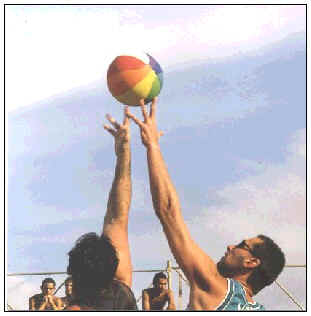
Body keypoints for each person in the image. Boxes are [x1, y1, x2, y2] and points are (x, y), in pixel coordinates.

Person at [126, 98, 285, 311]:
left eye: (241, 245)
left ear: (251, 262)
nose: (231, 246)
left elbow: (168, 212)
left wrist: (152, 145)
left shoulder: (217, 289)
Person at [65, 107, 137, 310]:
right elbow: (117, 216)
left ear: (72, 273)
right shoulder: (121, 291)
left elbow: (117, 216)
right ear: (114, 268)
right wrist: (124, 153)